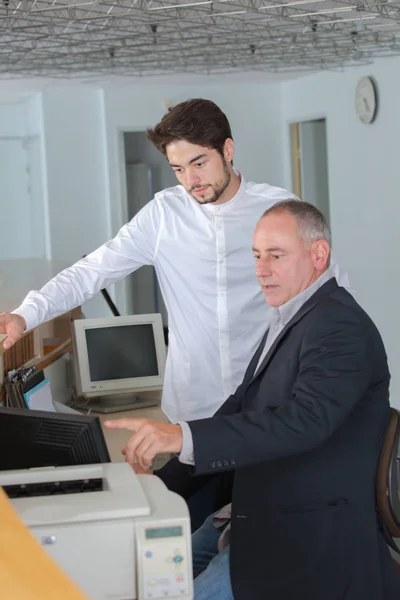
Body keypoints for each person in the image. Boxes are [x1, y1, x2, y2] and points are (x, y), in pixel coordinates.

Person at [0, 99, 349, 526]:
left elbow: (330, 293)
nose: (191, 180)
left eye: (199, 163)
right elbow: (93, 271)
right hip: (192, 414)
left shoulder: (277, 211)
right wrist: (25, 314)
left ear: (228, 149)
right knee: (175, 528)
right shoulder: (163, 215)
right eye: (179, 169)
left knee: (258, 532)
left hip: (265, 412)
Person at [104, 200, 400, 600]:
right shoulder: (293, 315)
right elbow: (240, 407)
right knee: (137, 575)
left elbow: (303, 422)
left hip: (303, 537)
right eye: (257, 256)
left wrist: (181, 436)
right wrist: (158, 486)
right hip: (250, 514)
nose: (262, 269)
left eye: (276, 256)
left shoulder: (339, 325)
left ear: (318, 255)